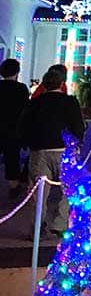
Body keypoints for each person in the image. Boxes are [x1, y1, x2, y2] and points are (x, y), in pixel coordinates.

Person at [17, 70, 85, 235]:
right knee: (68, 190)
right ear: (62, 84)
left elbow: (24, 124)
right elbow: (78, 124)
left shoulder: (35, 102)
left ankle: (37, 228)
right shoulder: (70, 102)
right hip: (64, 150)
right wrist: (77, 142)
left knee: (39, 194)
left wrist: (27, 143)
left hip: (40, 150)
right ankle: (60, 224)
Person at [0, 59, 29, 196]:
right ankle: (13, 185)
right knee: (12, 158)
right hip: (13, 129)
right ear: (17, 72)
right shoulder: (21, 88)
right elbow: (25, 110)